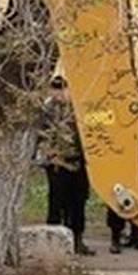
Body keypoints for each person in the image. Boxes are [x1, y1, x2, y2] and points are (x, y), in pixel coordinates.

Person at [39, 75, 93, 256]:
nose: (59, 93)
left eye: (63, 88)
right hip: (57, 163)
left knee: (78, 201)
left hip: (78, 162)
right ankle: (53, 240)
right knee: (57, 201)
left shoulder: (78, 108)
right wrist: (50, 155)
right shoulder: (48, 109)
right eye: (56, 88)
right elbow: (42, 135)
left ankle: (77, 239)